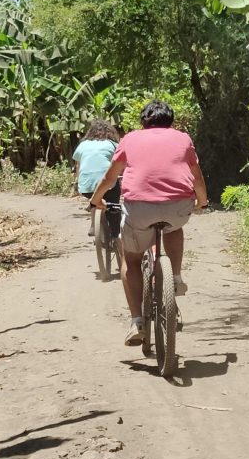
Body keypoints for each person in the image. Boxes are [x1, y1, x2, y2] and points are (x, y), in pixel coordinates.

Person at [89, 101, 208, 346]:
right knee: (174, 227)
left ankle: (137, 322)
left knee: (130, 259)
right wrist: (202, 202)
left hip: (140, 209)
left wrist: (96, 199)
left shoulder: (130, 139)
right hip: (179, 206)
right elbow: (197, 176)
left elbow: (111, 177)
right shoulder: (183, 139)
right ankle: (174, 277)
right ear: (171, 122)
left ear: (143, 122)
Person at [72, 119, 120, 237]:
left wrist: (78, 183)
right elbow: (118, 165)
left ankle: (94, 225)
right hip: (109, 185)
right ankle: (116, 233)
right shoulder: (113, 144)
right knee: (113, 206)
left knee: (95, 198)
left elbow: (78, 167)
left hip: (86, 186)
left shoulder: (82, 145)